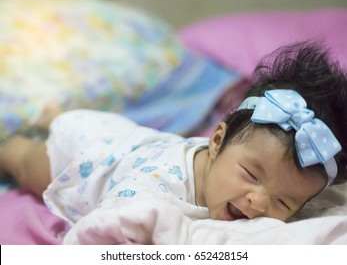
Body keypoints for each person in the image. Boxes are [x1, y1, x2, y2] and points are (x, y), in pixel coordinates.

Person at [0, 41, 347, 227]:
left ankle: (55, 115)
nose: (259, 201)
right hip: (85, 154)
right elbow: (105, 232)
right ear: (215, 141)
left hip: (130, 139)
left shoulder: (242, 168)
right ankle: (14, 144)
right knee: (29, 164)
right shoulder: (154, 191)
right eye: (251, 175)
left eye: (284, 202)